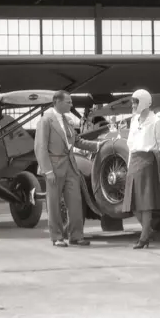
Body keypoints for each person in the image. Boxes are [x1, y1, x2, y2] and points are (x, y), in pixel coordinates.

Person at [34, 90, 102, 248]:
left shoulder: (68, 121)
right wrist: (48, 171)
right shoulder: (46, 120)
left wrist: (98, 145)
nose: (71, 105)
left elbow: (77, 141)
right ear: (57, 102)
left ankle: (76, 236)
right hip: (54, 167)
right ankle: (57, 237)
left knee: (76, 202)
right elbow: (40, 147)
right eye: (68, 102)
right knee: (54, 203)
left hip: (71, 166)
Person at [122, 89, 160, 250]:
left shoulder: (155, 120)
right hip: (134, 161)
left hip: (147, 160)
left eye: (135, 102)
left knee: (145, 203)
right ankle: (147, 231)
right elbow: (130, 144)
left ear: (143, 101)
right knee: (133, 203)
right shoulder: (134, 120)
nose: (133, 105)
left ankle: (143, 238)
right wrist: (129, 164)